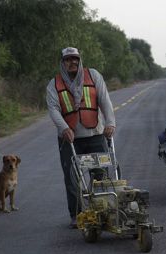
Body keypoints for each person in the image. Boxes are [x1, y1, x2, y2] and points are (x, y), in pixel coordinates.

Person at [46, 47, 116, 228]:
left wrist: (110, 123)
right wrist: (63, 128)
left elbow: (104, 100)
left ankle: (101, 210)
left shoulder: (93, 75)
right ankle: (77, 215)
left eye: (75, 59)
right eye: (68, 59)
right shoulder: (54, 84)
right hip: (69, 140)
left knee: (100, 174)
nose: (73, 62)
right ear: (62, 63)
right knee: (72, 177)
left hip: (95, 135)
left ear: (79, 60)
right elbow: (53, 109)